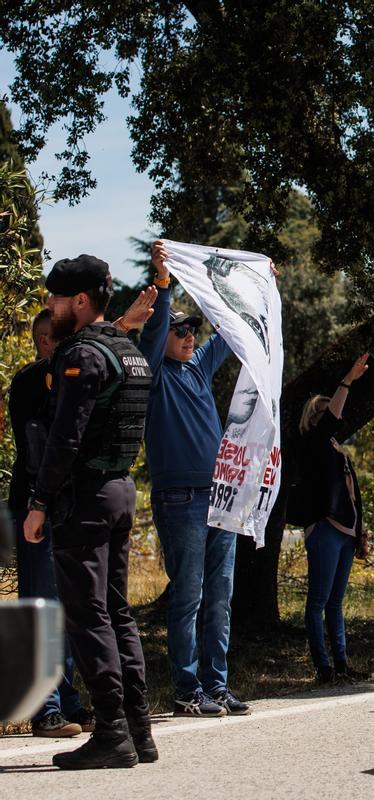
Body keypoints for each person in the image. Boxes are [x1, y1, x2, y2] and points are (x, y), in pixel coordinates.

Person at [23, 255, 156, 769]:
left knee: (88, 615)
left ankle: (113, 734)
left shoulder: (82, 354)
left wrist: (38, 503)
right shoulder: (128, 348)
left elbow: (64, 438)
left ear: (80, 300)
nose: (51, 307)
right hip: (121, 490)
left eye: (56, 298)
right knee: (117, 611)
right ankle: (139, 730)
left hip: (85, 496)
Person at [124, 240, 251, 717]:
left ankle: (216, 684)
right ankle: (185, 688)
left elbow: (229, 330)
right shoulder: (153, 370)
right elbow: (154, 331)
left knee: (221, 595)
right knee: (189, 595)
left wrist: (253, 289)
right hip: (180, 499)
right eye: (181, 329)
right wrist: (162, 281)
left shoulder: (197, 368)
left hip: (220, 497)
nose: (189, 336)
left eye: (190, 329)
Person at [7, 309, 90, 737]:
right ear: (45, 341)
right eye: (64, 339)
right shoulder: (30, 382)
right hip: (34, 507)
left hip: (66, 507)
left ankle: (68, 700)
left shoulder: (70, 378)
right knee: (43, 609)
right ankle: (46, 710)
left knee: (70, 607)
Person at [295, 353, 370, 683]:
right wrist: (347, 382)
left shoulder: (336, 450)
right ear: (313, 419)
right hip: (325, 527)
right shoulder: (311, 442)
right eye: (324, 411)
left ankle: (341, 663)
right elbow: (332, 420)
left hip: (345, 531)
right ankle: (323, 667)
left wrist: (361, 533)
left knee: (336, 602)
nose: (333, 414)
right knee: (318, 602)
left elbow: (355, 495)